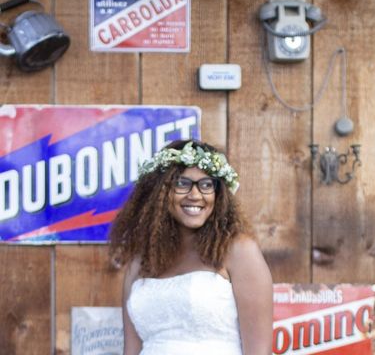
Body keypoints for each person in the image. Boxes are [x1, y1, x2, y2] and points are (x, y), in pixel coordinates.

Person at [109, 139, 273, 355]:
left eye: (206, 184)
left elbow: (259, 352)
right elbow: (131, 350)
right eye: (182, 183)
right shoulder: (141, 259)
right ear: (160, 191)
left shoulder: (238, 251)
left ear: (219, 193)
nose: (195, 195)